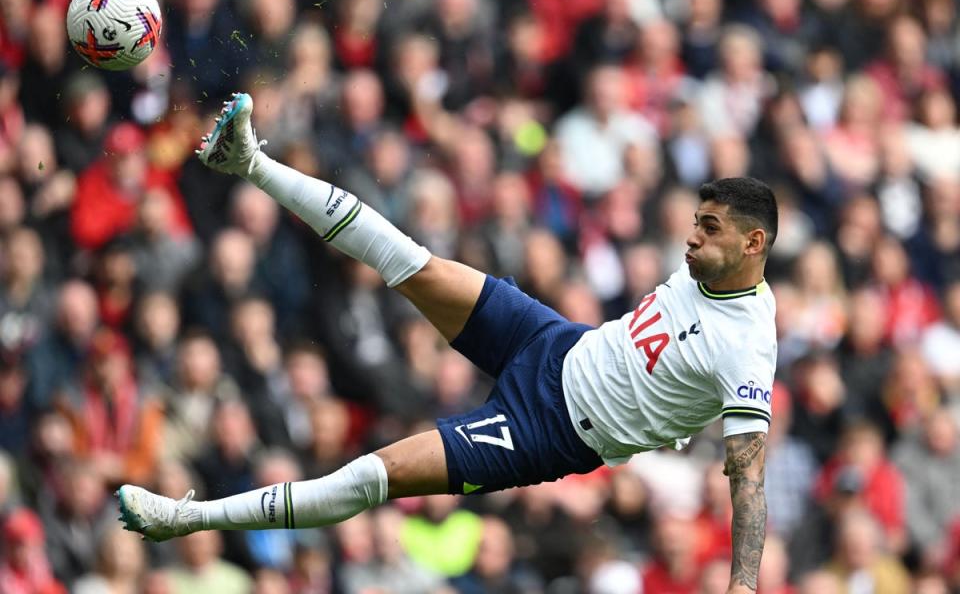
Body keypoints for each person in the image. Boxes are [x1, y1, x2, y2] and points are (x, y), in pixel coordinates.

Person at [117, 92, 778, 594]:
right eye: (695, 223)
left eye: (709, 228)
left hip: (548, 430)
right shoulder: (706, 266)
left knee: (377, 474)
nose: (691, 238)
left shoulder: (746, 345)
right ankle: (250, 160)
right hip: (555, 343)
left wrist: (742, 585)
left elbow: (748, 476)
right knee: (413, 262)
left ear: (753, 244)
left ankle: (186, 521)